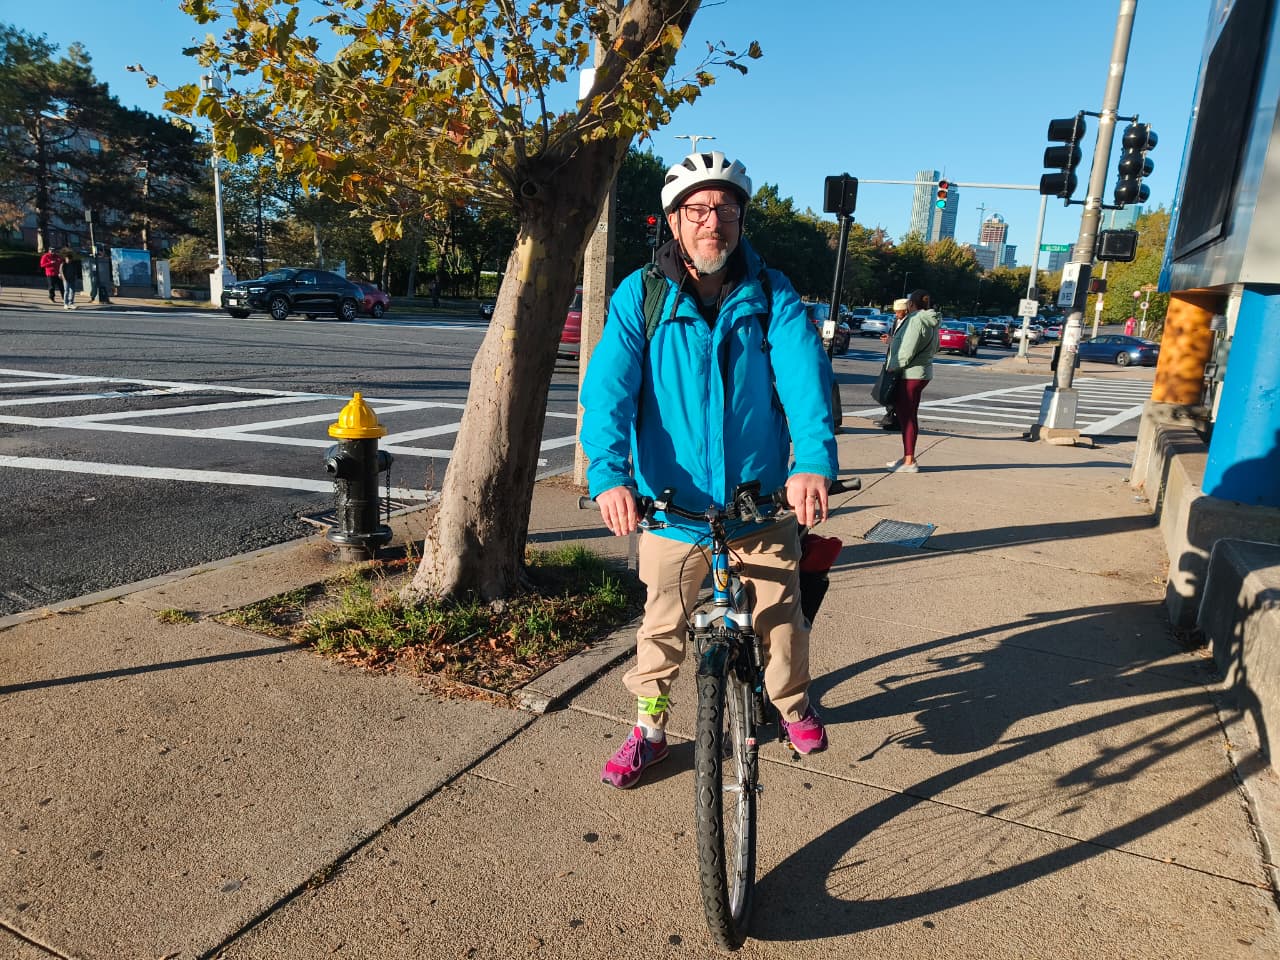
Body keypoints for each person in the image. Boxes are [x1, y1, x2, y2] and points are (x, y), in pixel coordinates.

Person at [580, 151, 839, 789]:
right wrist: (609, 476)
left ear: (741, 217)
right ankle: (649, 730)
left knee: (781, 615)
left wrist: (811, 462)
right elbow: (609, 390)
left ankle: (792, 703)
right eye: (697, 208)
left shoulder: (772, 290)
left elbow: (806, 381)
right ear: (674, 221)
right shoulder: (639, 295)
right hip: (673, 505)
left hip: (758, 502)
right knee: (661, 625)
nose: (712, 221)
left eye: (725, 208)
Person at [884, 289, 939, 474]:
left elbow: (907, 350)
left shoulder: (915, 320)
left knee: (906, 417)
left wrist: (894, 366)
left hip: (910, 374)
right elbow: (936, 347)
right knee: (909, 415)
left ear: (912, 304)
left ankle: (909, 460)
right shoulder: (931, 321)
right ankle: (908, 456)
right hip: (922, 372)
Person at [875, 298, 912, 430]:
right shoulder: (897, 321)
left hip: (900, 362)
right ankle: (891, 417)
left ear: (906, 310)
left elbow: (908, 344)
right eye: (895, 312)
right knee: (885, 389)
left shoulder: (910, 322)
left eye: (899, 312)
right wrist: (889, 340)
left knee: (893, 391)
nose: (896, 314)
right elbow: (894, 338)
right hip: (891, 358)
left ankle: (892, 419)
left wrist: (892, 341)